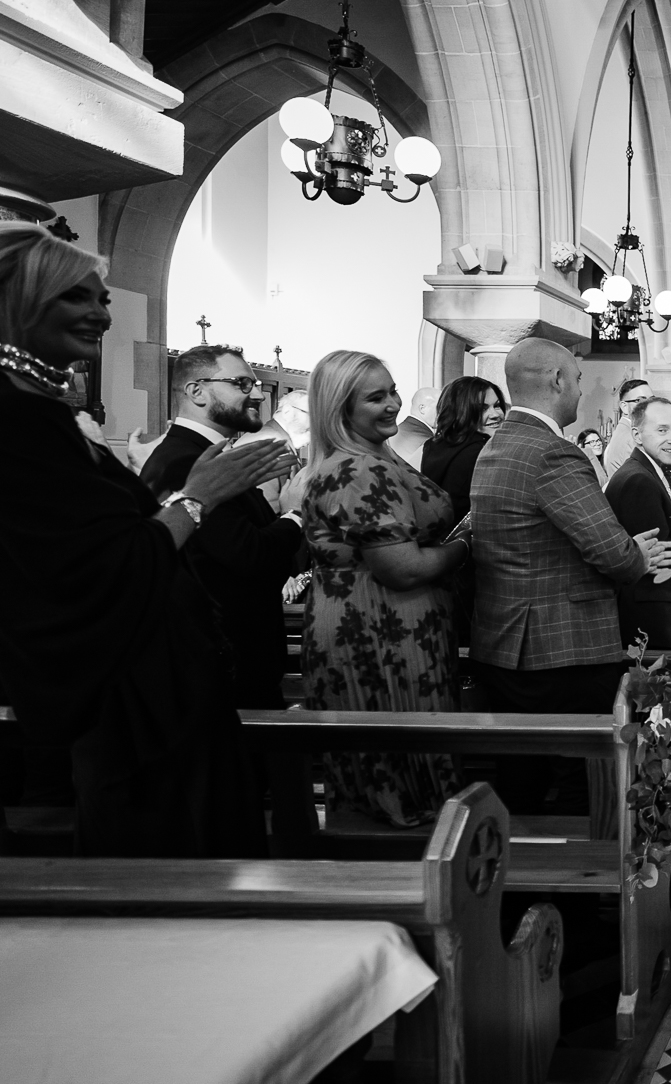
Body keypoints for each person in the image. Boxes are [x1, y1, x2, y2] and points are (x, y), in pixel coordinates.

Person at [0, 222, 291, 857]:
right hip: (136, 707)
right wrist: (202, 496)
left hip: (168, 687)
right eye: (78, 297)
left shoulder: (42, 408)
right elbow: (103, 571)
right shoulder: (18, 420)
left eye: (102, 298)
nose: (102, 315)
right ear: (21, 300)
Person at [468, 340, 671, 816]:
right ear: (558, 380)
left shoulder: (496, 446)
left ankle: (519, 880)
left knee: (523, 778)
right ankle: (588, 880)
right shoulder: (553, 454)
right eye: (579, 380)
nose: (582, 392)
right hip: (562, 650)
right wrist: (637, 554)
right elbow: (613, 554)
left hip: (505, 642)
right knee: (587, 782)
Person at [302, 350, 470, 829]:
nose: (393, 404)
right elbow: (402, 567)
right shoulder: (359, 470)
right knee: (396, 784)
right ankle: (399, 887)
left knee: (411, 766)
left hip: (398, 630)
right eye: (376, 398)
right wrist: (462, 547)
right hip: (379, 637)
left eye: (393, 390)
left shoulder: (378, 454)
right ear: (341, 410)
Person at [140, 344, 306, 711]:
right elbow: (250, 555)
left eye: (256, 384)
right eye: (241, 384)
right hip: (226, 664)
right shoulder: (186, 461)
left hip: (236, 659)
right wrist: (294, 514)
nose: (259, 394)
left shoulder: (204, 455)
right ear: (196, 391)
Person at [604, 396, 671, 652]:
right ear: (637, 434)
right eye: (662, 430)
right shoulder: (637, 480)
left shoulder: (649, 470)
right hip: (652, 614)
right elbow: (660, 554)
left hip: (659, 609)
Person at [419, 376, 507, 522]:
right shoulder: (482, 452)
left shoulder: (433, 445)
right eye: (482, 408)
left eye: (497, 405)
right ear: (460, 412)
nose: (495, 415)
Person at [600, 377, 652, 475]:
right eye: (640, 400)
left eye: (652, 400)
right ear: (624, 407)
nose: (649, 405)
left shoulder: (624, 430)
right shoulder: (631, 438)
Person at [388, 386, 438, 469]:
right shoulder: (428, 441)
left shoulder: (394, 432)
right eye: (440, 407)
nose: (445, 411)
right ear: (422, 409)